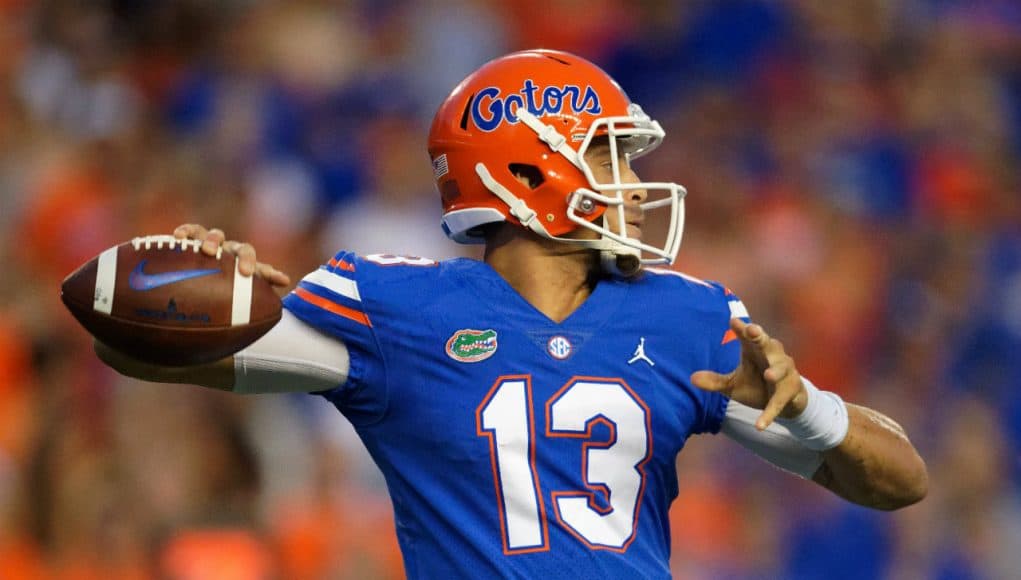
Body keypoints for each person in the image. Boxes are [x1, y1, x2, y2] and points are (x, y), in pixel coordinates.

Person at [96, 49, 927, 578]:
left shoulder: (687, 319)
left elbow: (899, 484)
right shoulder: (395, 306)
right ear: (525, 175)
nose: (632, 187)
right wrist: (186, 297)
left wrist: (814, 413)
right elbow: (138, 346)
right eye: (606, 153)